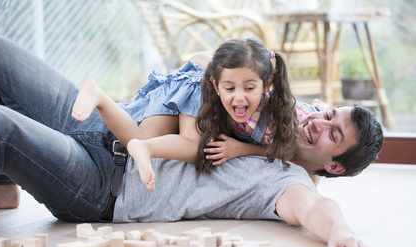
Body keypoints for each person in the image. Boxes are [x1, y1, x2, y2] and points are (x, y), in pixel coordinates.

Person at [0, 36, 385, 247]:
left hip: (100, 186)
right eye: (329, 114)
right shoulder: (277, 110)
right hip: (105, 120)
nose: (319, 123)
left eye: (334, 135)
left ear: (333, 167)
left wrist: (342, 233)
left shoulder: (288, 182)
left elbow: (316, 210)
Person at [72, 38, 298, 191]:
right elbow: (202, 64)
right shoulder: (206, 87)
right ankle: (141, 144)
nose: (239, 97)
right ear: (217, 85)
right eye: (230, 89)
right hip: (191, 85)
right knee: (191, 146)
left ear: (267, 85)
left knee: (140, 135)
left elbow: (287, 148)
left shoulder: (275, 113)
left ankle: (100, 97)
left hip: (189, 87)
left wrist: (241, 149)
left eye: (249, 88)